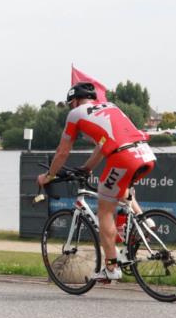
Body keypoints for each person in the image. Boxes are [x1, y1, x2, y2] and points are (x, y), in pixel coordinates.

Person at [36, 81, 157, 283]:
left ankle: (111, 268)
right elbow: (102, 146)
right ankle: (143, 221)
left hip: (123, 157)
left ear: (75, 101)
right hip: (145, 154)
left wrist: (48, 176)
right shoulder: (111, 106)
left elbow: (62, 151)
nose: (71, 107)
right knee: (120, 189)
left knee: (104, 211)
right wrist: (87, 168)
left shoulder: (75, 114)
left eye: (70, 104)